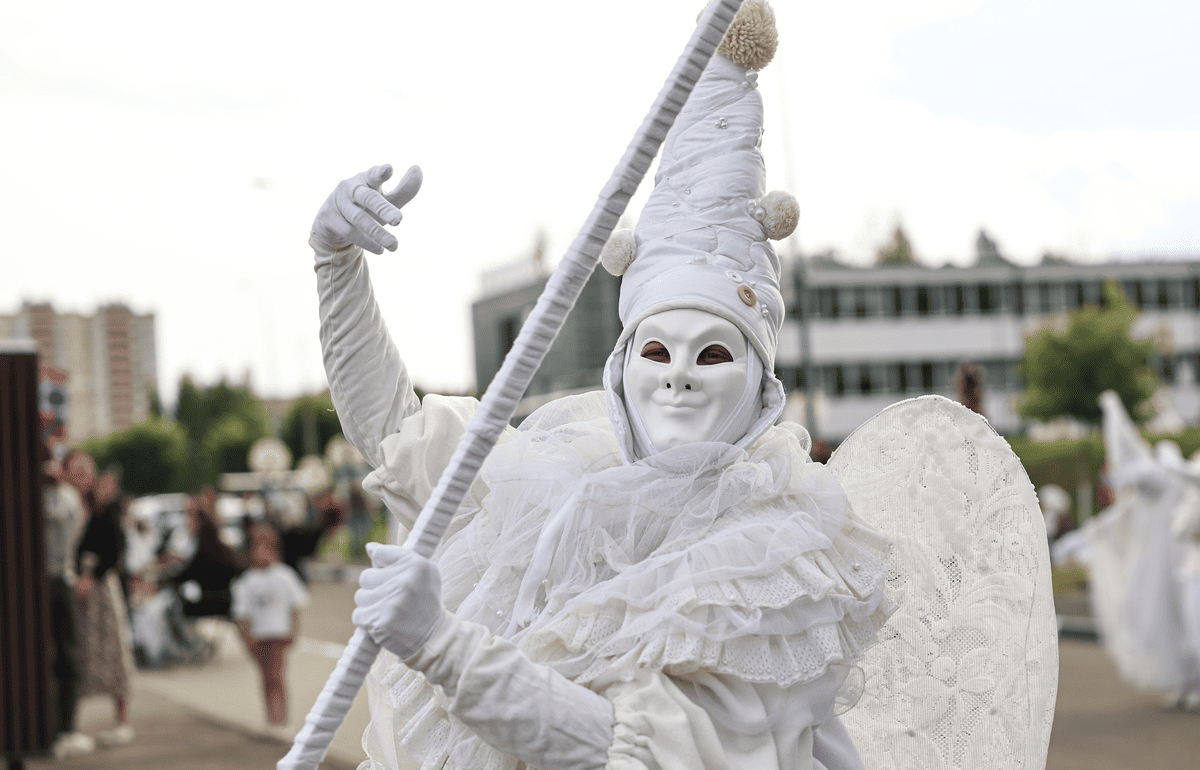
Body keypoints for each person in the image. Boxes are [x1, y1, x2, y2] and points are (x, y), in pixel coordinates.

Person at [310, 5, 903, 769]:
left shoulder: (777, 562)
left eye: (715, 354)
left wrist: (444, 647)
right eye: (656, 349)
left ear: (761, 389)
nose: (681, 375)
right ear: (621, 372)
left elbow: (643, 751)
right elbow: (391, 432)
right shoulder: (551, 486)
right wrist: (335, 266)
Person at [75, 468, 137, 746]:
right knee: (80, 652)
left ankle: (120, 719)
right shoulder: (82, 508)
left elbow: (113, 550)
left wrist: (91, 575)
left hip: (98, 587)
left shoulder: (105, 513)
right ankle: (72, 722)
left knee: (112, 649)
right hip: (84, 585)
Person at [41, 443, 94, 759]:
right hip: (53, 577)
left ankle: (66, 726)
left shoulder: (66, 497)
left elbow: (63, 520)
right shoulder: (56, 494)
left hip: (60, 577)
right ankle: (53, 726)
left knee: (67, 653)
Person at [232, 522, 308, 724]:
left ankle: (279, 714)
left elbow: (295, 606)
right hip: (259, 635)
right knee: (265, 677)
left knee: (275, 675)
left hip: (279, 633)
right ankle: (271, 714)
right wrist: (247, 638)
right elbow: (242, 615)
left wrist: (294, 630)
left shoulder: (284, 575)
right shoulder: (247, 581)